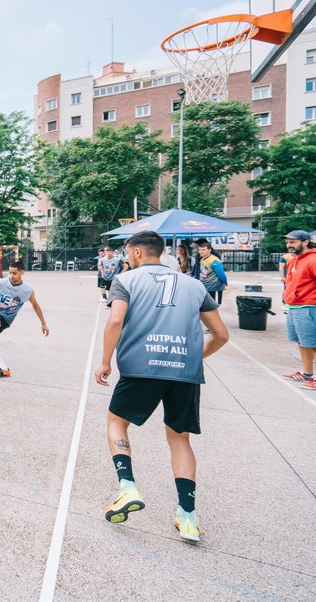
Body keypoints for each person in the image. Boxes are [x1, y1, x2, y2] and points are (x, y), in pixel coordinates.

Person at [94, 231, 228, 543]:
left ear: (138, 252)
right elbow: (221, 334)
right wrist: (192, 357)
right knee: (180, 440)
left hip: (142, 367)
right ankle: (188, 517)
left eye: (128, 253)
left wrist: (104, 361)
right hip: (185, 371)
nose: (127, 258)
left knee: (116, 422)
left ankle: (127, 486)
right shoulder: (194, 285)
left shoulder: (127, 280)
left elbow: (115, 321)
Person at [282, 230, 316, 389]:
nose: (289, 245)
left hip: (309, 306)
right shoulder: (293, 260)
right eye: (288, 242)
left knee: (313, 343)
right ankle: (308, 373)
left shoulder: (313, 259)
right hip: (294, 306)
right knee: (303, 342)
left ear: (305, 242)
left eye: (293, 242)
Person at [193, 239, 227, 306]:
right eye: (199, 249)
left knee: (210, 305)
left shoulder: (214, 260)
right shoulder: (201, 258)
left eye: (203, 249)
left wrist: (224, 282)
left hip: (212, 285)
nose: (200, 251)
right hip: (204, 284)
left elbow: (221, 273)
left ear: (209, 250)